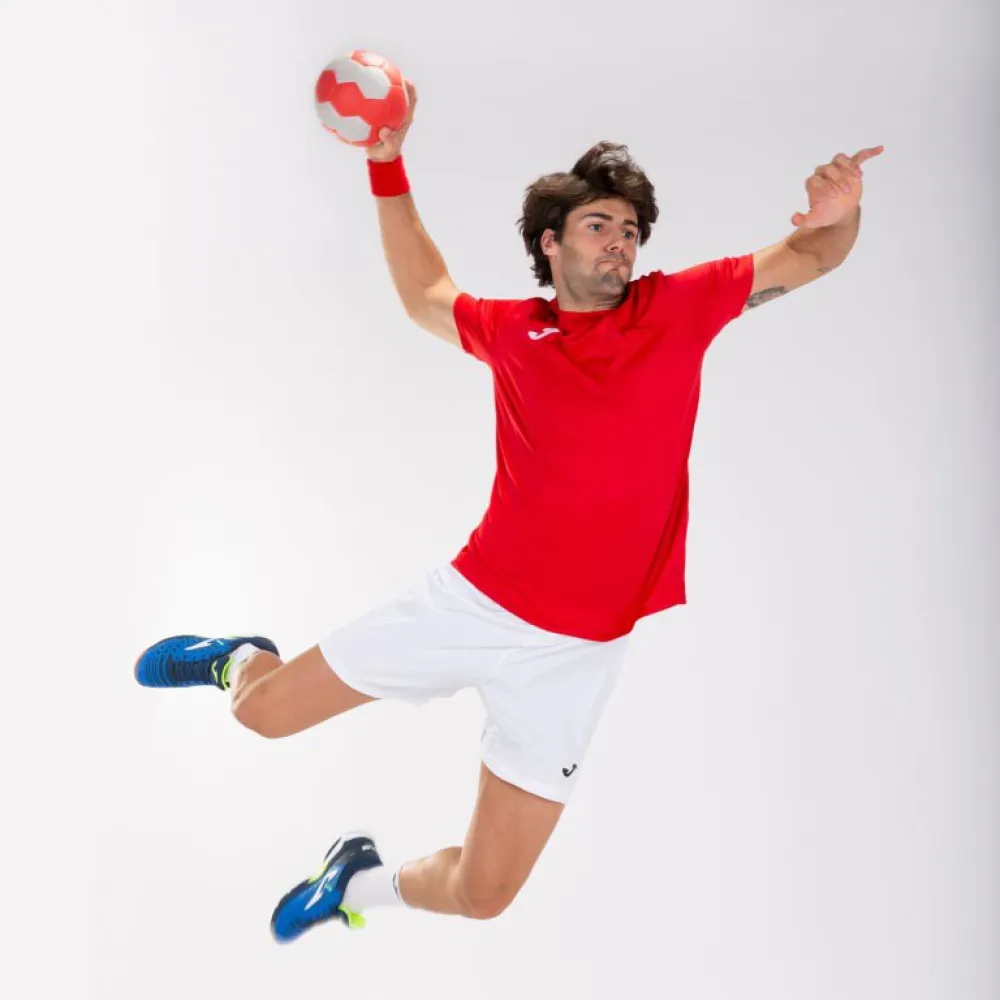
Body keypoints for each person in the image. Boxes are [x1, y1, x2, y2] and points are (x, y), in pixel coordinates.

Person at [134, 78, 883, 942]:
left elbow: (815, 255)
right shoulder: (514, 332)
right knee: (260, 715)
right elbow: (425, 292)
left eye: (630, 230)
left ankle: (354, 882)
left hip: (578, 654)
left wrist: (841, 211)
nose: (620, 241)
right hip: (474, 603)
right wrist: (386, 164)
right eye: (599, 225)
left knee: (484, 893)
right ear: (549, 242)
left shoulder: (678, 308)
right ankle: (238, 658)